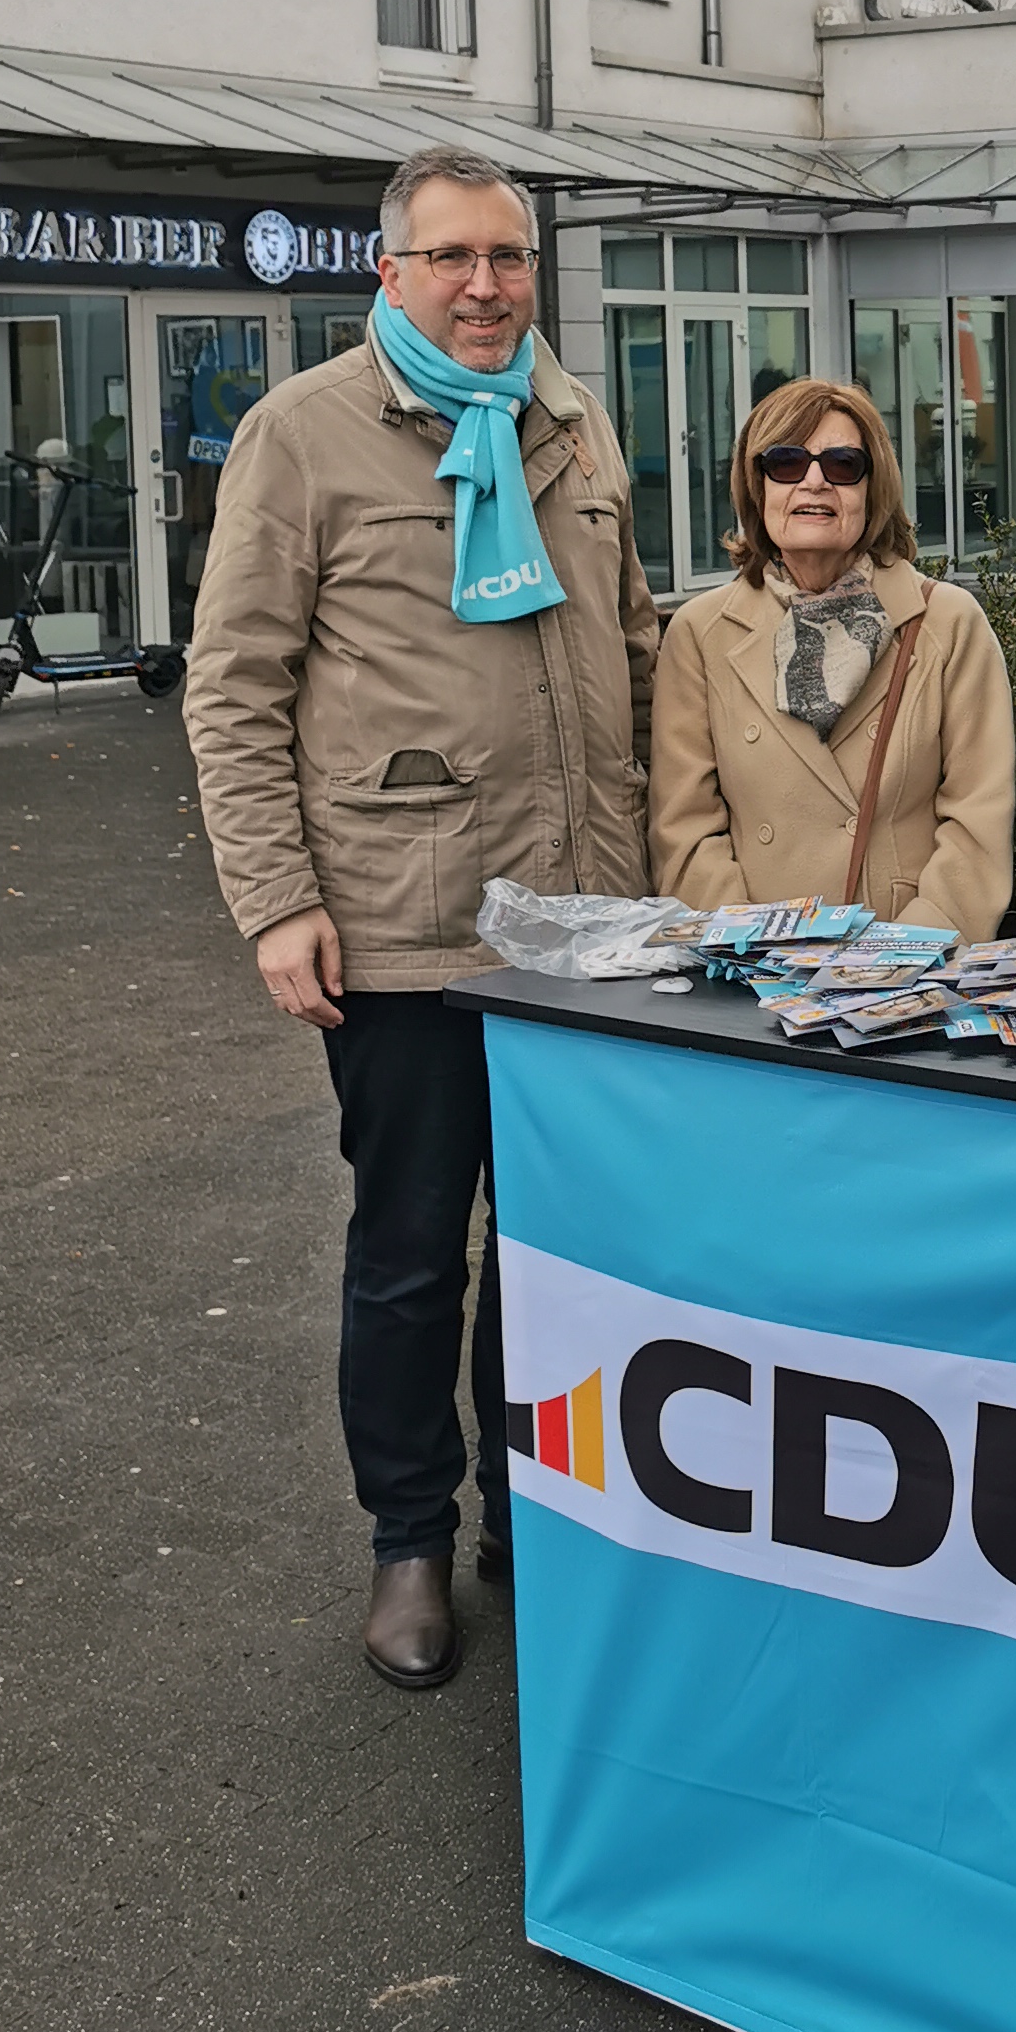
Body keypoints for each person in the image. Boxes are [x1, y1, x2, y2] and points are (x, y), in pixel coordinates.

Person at [186, 147, 658, 1691]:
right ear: (389, 271)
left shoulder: (571, 417)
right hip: (404, 924)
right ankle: (409, 1540)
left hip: (582, 923)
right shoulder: (302, 438)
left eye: (508, 258)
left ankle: (534, 1494)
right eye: (451, 256)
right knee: (410, 1254)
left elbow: (633, 649)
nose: (483, 285)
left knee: (554, 1244)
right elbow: (236, 688)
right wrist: (276, 903)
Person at [648, 375, 1014, 935]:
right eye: (787, 463)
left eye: (843, 465)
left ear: (874, 490)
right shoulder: (701, 634)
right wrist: (751, 945)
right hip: (753, 970)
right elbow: (684, 830)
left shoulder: (946, 623)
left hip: (899, 967)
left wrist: (901, 957)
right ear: (758, 486)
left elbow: (977, 822)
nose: (814, 482)